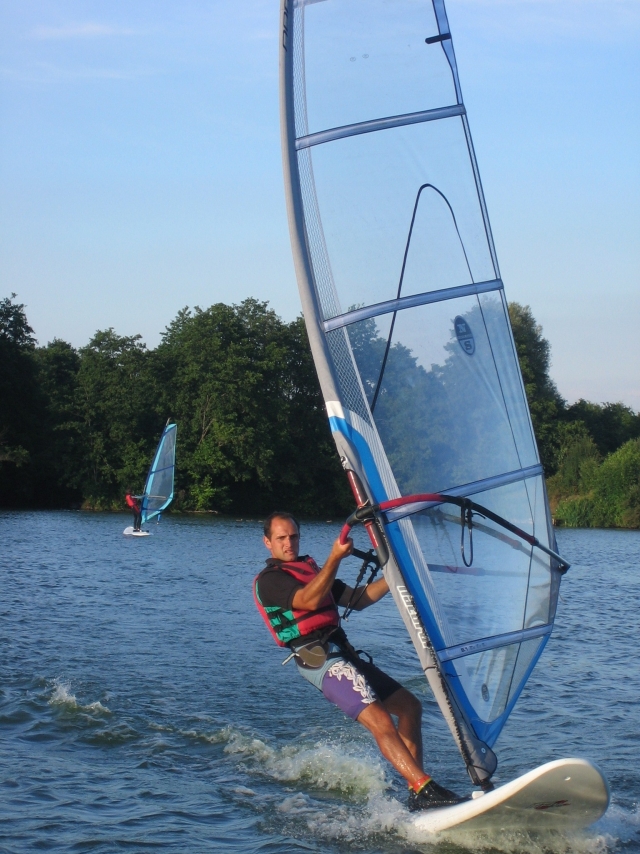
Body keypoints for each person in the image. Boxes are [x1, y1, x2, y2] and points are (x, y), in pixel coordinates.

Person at [254, 511, 465, 811]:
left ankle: (416, 790)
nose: (289, 543)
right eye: (281, 538)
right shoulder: (271, 580)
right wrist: (336, 557)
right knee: (379, 719)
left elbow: (358, 598)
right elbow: (309, 601)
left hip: (344, 652)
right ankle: (425, 788)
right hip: (318, 660)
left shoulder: (312, 571)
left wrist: (395, 577)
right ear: (268, 542)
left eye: (294, 536)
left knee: (409, 707)